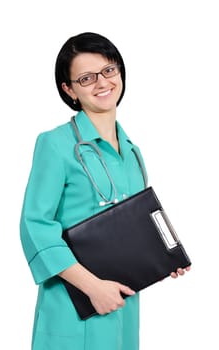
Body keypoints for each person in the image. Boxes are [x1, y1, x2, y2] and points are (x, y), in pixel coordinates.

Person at [20, 32, 190, 350]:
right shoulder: (55, 144)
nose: (102, 83)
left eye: (108, 70)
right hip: (74, 307)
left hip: (122, 305)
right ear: (68, 90)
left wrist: (164, 257)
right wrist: (93, 287)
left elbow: (135, 222)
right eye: (86, 78)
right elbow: (35, 227)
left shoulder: (132, 151)